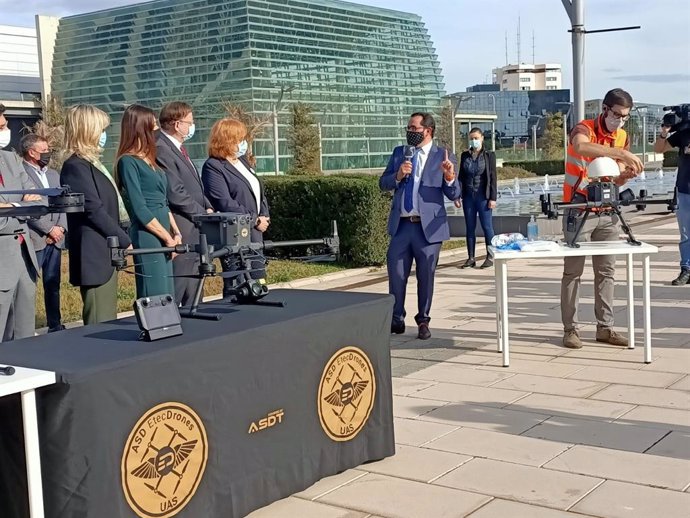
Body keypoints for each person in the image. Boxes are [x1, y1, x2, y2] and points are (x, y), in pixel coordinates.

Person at [561, 88, 644, 349]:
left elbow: (614, 177)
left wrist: (624, 176)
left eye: (625, 117)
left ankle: (605, 328)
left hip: (607, 210)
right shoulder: (583, 128)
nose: (620, 121)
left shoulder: (621, 135)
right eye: (616, 115)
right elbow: (581, 147)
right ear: (605, 110)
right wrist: (620, 154)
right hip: (579, 206)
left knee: (607, 271)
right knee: (573, 272)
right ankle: (570, 330)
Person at [379, 112, 460, 340]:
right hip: (402, 226)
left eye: (414, 128)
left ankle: (423, 320)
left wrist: (450, 177)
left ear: (428, 131)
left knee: (426, 275)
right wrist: (397, 175)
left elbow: (455, 192)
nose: (410, 132)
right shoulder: (399, 154)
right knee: (396, 273)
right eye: (408, 128)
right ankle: (396, 319)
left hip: (428, 230)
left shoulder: (443, 156)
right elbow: (383, 183)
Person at [61, 104, 132, 325]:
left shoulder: (93, 164)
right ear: (87, 131)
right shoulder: (75, 167)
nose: (104, 136)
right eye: (101, 130)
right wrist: (124, 239)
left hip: (105, 251)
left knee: (107, 315)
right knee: (99, 318)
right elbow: (93, 209)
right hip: (94, 254)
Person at [117, 104, 180, 299]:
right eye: (153, 127)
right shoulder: (128, 162)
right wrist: (167, 238)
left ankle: (169, 325)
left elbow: (164, 200)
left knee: (168, 289)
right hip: (148, 234)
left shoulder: (150, 160)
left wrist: (176, 232)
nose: (157, 132)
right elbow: (139, 208)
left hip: (164, 231)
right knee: (154, 289)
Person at [201, 118, 270, 297]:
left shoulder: (243, 162)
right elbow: (224, 202)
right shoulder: (213, 166)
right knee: (240, 284)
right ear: (227, 140)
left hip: (256, 233)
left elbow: (257, 191)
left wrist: (264, 215)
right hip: (236, 233)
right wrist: (253, 219)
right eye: (240, 139)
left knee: (258, 280)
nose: (244, 143)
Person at [156, 101, 214, 305]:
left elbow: (194, 185)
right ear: (175, 123)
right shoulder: (161, 148)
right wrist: (201, 214)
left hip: (195, 226)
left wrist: (207, 205)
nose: (192, 126)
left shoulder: (179, 148)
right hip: (182, 225)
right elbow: (175, 191)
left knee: (195, 288)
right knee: (179, 285)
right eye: (189, 122)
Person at [0, 110, 41, 341]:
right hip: (1, 261)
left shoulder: (11, 158)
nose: (6, 131)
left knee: (25, 336)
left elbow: (39, 199)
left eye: (5, 125)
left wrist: (9, 206)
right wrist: (21, 204)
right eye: (1, 127)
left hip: (24, 257)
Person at [20, 134, 67, 332]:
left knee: (53, 284)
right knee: (28, 287)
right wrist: (48, 229)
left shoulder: (54, 174)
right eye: (44, 150)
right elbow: (26, 206)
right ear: (31, 152)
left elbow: (63, 202)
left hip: (56, 239)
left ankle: (54, 324)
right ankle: (25, 327)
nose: (47, 154)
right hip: (34, 238)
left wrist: (60, 229)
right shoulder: (21, 174)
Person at [653, 113, 690, 286]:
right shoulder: (684, 133)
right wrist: (664, 132)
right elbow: (659, 149)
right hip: (684, 190)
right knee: (685, 234)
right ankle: (686, 269)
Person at [454, 128, 497, 269]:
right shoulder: (465, 155)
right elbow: (461, 177)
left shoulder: (489, 155)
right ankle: (471, 258)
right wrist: (457, 195)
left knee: (487, 227)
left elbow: (493, 178)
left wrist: (493, 198)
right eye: (471, 138)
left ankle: (490, 256)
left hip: (483, 197)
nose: (474, 140)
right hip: (468, 197)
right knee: (470, 227)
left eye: (476, 138)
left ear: (482, 138)